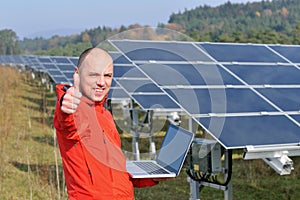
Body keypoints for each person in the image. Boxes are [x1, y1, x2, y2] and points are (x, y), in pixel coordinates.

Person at [53, 47, 159, 200]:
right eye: (94, 75)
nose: (102, 82)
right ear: (77, 73)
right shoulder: (76, 112)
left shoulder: (105, 115)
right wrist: (66, 102)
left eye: (107, 75)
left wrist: (153, 177)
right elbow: (68, 123)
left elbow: (114, 172)